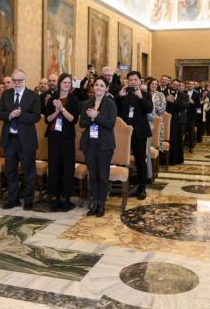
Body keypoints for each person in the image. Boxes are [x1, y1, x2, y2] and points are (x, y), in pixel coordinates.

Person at [0, 69, 41, 210]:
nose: (16, 83)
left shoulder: (33, 96)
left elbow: (36, 116)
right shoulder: (6, 94)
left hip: (27, 140)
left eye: (19, 80)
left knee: (29, 172)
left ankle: (28, 201)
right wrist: (9, 115)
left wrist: (20, 115)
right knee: (10, 171)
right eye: (14, 80)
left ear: (24, 80)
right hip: (10, 139)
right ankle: (13, 199)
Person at [79, 76, 117, 217]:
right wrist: (91, 118)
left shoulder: (110, 103)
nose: (98, 87)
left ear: (106, 88)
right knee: (93, 175)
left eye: (102, 85)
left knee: (102, 175)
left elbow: (110, 124)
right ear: (93, 87)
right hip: (89, 144)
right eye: (96, 85)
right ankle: (94, 202)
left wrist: (97, 117)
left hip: (105, 145)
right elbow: (82, 124)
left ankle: (102, 204)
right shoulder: (87, 103)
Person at [44, 73, 79, 211]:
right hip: (53, 137)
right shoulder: (52, 99)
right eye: (64, 82)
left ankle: (66, 198)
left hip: (67, 138)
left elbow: (73, 120)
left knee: (67, 167)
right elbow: (47, 119)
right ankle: (54, 197)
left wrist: (62, 109)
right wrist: (56, 110)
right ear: (59, 83)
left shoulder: (73, 100)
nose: (67, 85)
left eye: (68, 83)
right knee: (54, 167)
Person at [118, 71, 153, 200]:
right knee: (122, 160)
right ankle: (123, 185)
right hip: (124, 133)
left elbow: (149, 109)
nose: (133, 82)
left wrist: (140, 97)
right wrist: (119, 97)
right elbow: (116, 111)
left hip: (139, 132)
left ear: (140, 81)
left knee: (140, 160)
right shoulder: (124, 94)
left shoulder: (145, 94)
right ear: (127, 81)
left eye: (135, 79)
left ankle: (142, 188)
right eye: (130, 80)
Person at [165, 79, 187, 164]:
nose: (175, 86)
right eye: (174, 84)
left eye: (177, 85)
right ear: (171, 84)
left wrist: (174, 101)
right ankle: (164, 160)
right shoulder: (164, 93)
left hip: (176, 120)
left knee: (175, 139)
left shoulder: (182, 95)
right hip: (165, 119)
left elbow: (184, 106)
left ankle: (175, 160)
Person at [184, 81, 201, 152]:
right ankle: (183, 145)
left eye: (192, 84)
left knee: (191, 132)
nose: (190, 85)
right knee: (183, 131)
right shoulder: (184, 92)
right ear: (187, 85)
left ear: (194, 86)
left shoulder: (197, 94)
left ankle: (191, 147)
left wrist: (193, 102)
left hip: (192, 115)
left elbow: (198, 105)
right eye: (189, 84)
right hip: (184, 115)